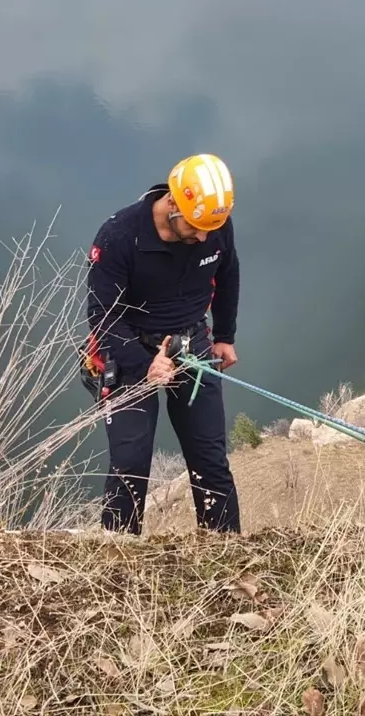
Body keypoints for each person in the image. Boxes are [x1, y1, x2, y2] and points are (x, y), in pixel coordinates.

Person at [84, 153, 242, 535]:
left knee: (211, 461)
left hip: (191, 344)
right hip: (128, 350)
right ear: (173, 202)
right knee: (130, 466)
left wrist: (224, 335)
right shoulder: (120, 235)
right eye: (196, 226)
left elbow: (228, 270)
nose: (204, 236)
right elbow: (102, 316)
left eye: (210, 227)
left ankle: (224, 551)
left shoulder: (212, 223)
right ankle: (116, 556)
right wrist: (144, 363)